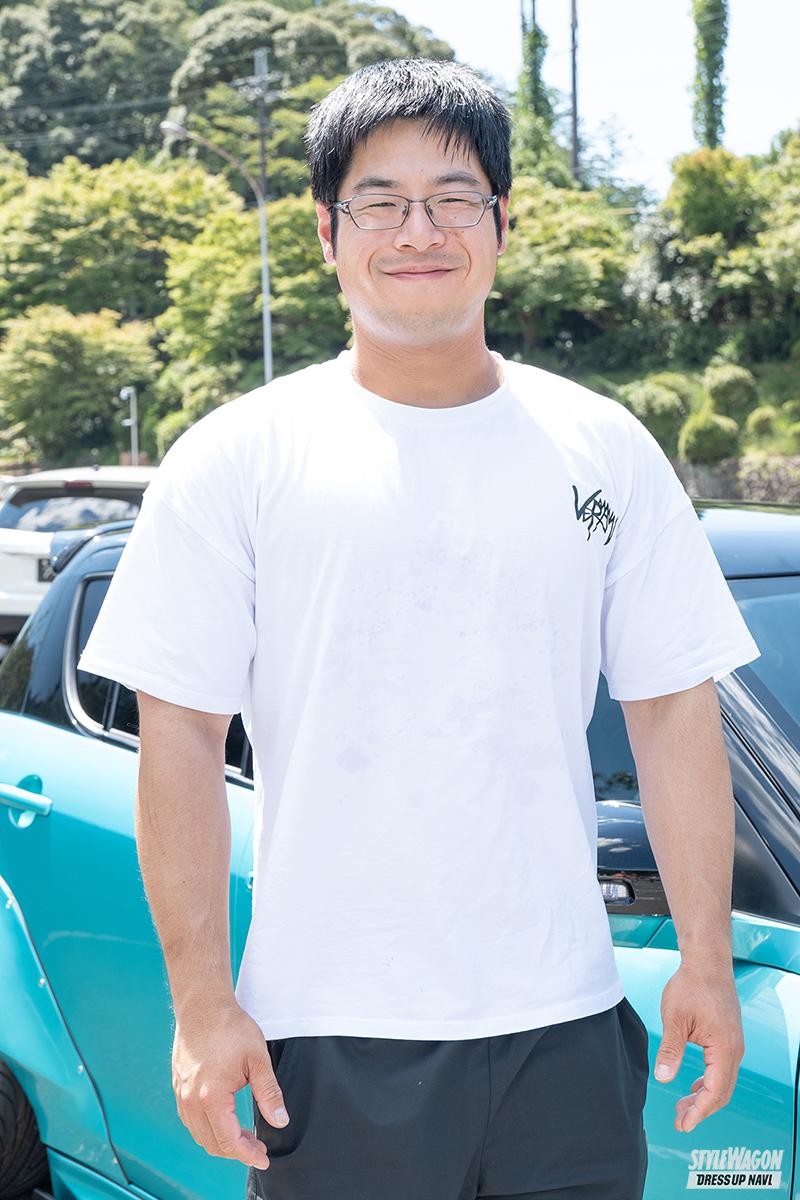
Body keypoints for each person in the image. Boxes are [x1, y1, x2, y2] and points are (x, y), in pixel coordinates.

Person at [78, 57, 760, 1200]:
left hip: (567, 1028)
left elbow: (669, 708)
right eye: (380, 202)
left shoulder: (601, 446)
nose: (418, 231)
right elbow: (181, 734)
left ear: (502, 222)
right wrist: (201, 1003)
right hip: (330, 1034)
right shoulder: (237, 457)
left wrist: (705, 959)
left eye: (452, 198)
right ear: (325, 230)